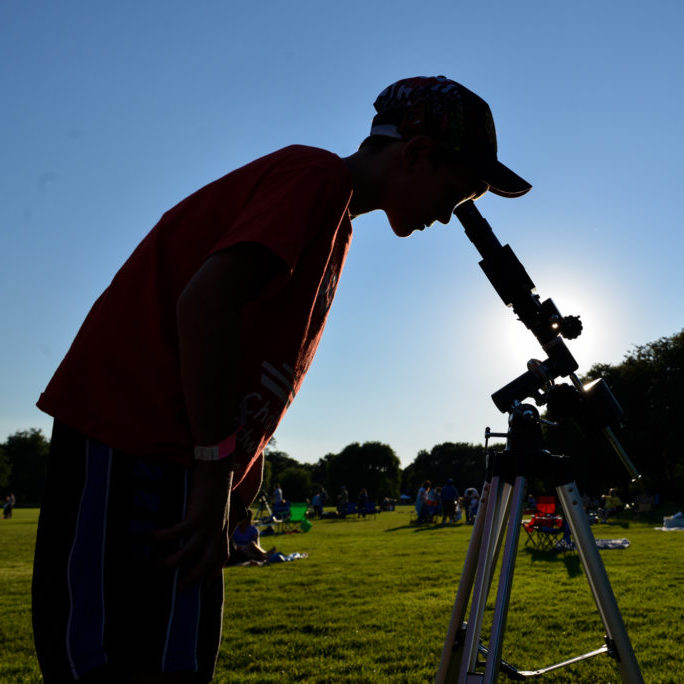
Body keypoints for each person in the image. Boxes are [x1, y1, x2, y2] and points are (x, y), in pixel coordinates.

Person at [31, 75, 530, 682]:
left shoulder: (334, 219)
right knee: (121, 658)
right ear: (417, 154)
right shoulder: (314, 177)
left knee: (178, 656)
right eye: (454, 193)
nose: (448, 218)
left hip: (179, 457)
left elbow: (254, 342)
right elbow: (204, 304)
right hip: (136, 441)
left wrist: (247, 456)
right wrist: (214, 468)